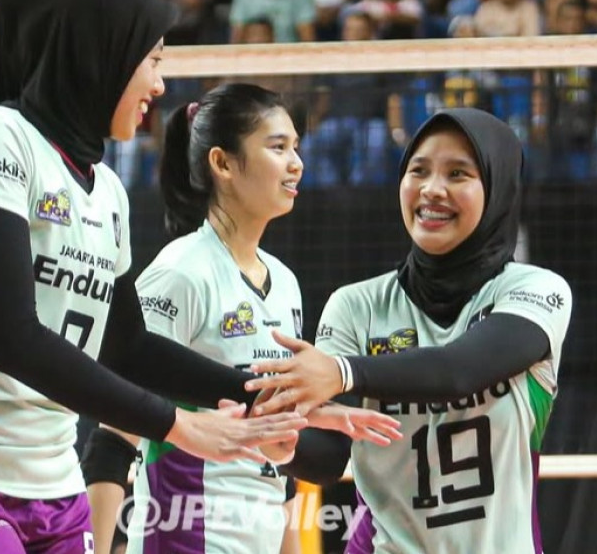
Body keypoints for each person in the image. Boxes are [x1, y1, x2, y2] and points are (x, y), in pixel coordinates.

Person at [0, 0, 308, 554]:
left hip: (53, 481)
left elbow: (128, 347)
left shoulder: (108, 192)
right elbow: (11, 339)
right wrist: (179, 425)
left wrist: (266, 400)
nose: (159, 85)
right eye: (152, 60)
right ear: (104, 54)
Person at [81, 83, 402, 554]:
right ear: (223, 163)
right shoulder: (181, 272)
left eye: (296, 147)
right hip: (185, 539)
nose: (297, 163)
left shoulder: (285, 283)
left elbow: (281, 453)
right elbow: (114, 437)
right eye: (278, 147)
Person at [244, 108, 574, 554]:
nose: (432, 189)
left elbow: (460, 371)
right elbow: (329, 456)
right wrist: (283, 442)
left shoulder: (536, 291)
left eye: (457, 174)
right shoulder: (356, 306)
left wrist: (344, 373)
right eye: (418, 171)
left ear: (497, 188)